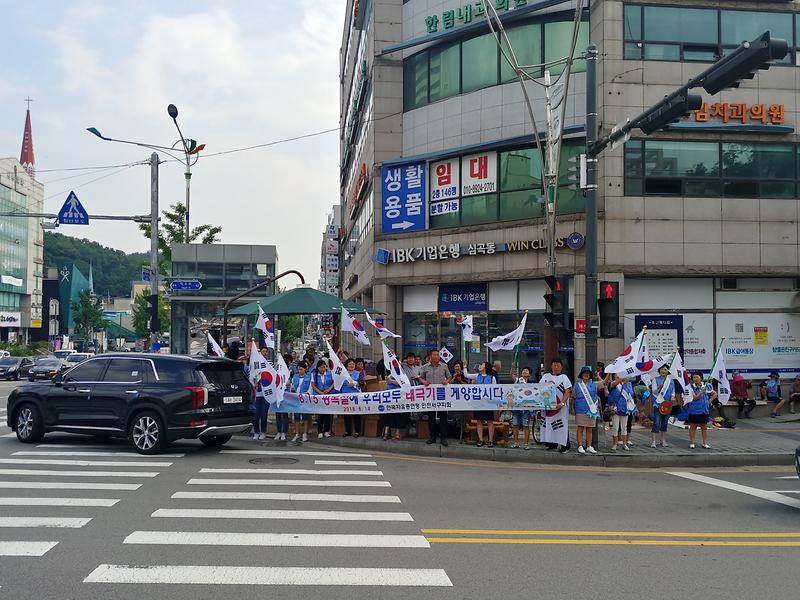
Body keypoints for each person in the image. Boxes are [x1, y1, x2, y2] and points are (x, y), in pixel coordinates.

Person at [419, 349, 451, 446]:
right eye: (435, 355)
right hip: (430, 396)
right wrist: (423, 381)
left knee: (443, 417)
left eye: (438, 355)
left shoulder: (444, 366)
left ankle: (443, 437)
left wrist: (447, 381)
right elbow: (420, 377)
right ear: (430, 356)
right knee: (431, 417)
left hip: (441, 395)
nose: (437, 356)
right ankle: (432, 436)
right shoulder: (425, 367)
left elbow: (449, 376)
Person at [540, 358, 572, 453]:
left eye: (558, 365)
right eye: (554, 365)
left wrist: (562, 402)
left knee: (561, 426)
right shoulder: (546, 376)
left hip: (560, 407)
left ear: (561, 367)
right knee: (549, 425)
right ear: (551, 366)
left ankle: (565, 445)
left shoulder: (564, 378)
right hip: (548, 407)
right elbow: (539, 388)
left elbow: (567, 391)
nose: (556, 367)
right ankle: (552, 444)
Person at [572, 366, 600, 454]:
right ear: (581, 375)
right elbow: (573, 397)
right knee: (580, 428)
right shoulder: (577, 385)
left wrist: (608, 373)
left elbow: (604, 383)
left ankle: (589, 446)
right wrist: (572, 408)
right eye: (584, 373)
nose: (586, 375)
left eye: (587, 374)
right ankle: (580, 446)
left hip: (591, 410)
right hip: (580, 409)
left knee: (590, 429)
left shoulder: (594, 384)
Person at [471, 362, 497, 448]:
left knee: (490, 421)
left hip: (488, 402)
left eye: (482, 365)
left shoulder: (492, 378)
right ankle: (480, 439)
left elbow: (495, 389)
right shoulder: (477, 376)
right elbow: (467, 375)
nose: (480, 366)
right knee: (479, 421)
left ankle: (490, 440)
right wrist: (464, 366)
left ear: (486, 367)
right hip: (479, 402)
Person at [687, 371, 715, 449]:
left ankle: (705, 443)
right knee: (693, 426)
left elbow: (714, 394)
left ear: (701, 378)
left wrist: (709, 401)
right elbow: (695, 398)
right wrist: (701, 393)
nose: (695, 379)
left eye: (697, 377)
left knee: (704, 427)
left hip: (704, 410)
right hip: (694, 410)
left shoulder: (707, 385)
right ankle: (692, 442)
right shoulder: (690, 387)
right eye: (694, 377)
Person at [649, 364, 675, 448]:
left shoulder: (671, 381)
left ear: (668, 371)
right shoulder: (655, 380)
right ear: (659, 370)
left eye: (665, 369)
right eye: (662, 369)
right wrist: (658, 388)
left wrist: (672, 397)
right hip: (658, 404)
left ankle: (662, 440)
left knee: (664, 422)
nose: (663, 371)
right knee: (656, 422)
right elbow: (654, 392)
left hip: (667, 405)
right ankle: (653, 441)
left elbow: (673, 392)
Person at [607, 375, 635, 451]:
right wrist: (621, 381)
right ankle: (615, 444)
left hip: (625, 408)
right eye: (617, 375)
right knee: (615, 427)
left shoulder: (628, 384)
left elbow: (631, 394)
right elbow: (612, 386)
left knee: (624, 427)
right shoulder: (612, 383)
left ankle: (624, 444)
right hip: (616, 408)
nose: (619, 376)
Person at [510, 366, 534, 450]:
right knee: (515, 424)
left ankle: (526, 444)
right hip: (516, 406)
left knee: (526, 425)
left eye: (527, 370)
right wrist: (512, 367)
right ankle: (516, 443)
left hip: (526, 408)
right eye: (523, 370)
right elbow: (511, 375)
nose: (524, 371)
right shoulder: (517, 380)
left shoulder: (531, 384)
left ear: (529, 374)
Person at [311, 360, 334, 438]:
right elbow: (313, 386)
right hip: (319, 396)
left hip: (329, 395)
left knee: (327, 414)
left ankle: (326, 431)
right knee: (320, 414)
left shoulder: (330, 373)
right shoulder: (314, 374)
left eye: (324, 367)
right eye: (321, 367)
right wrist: (320, 393)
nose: (323, 369)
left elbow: (334, 382)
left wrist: (329, 389)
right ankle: (320, 431)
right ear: (318, 368)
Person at [341, 358, 363, 437]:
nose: (351, 366)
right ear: (346, 365)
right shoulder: (343, 374)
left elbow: (362, 383)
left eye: (353, 364)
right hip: (345, 397)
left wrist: (354, 383)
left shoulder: (358, 373)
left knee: (356, 414)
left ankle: (357, 431)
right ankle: (347, 431)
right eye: (350, 364)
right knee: (347, 415)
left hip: (355, 397)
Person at [291, 360, 312, 442]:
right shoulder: (295, 376)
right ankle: (297, 433)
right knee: (296, 417)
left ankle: (305, 433)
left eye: (301, 369)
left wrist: (308, 393)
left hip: (305, 399)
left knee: (305, 417)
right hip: (296, 398)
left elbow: (311, 387)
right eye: (298, 369)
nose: (300, 371)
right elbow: (292, 386)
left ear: (305, 369)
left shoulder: (309, 377)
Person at [273, 354, 293, 441]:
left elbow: (291, 383)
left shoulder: (290, 372)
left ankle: (284, 432)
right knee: (278, 414)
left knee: (284, 414)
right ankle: (279, 431)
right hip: (277, 395)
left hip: (286, 395)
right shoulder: (276, 372)